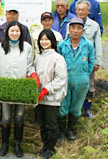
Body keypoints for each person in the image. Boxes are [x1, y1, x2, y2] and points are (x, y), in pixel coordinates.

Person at [0, 21, 40, 157]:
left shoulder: (26, 47)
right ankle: (4, 144)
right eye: (12, 31)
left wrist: (33, 74)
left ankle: (17, 144)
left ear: (21, 33)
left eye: (17, 31)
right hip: (5, 89)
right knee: (6, 117)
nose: (14, 34)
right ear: (7, 32)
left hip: (20, 89)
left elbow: (30, 66)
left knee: (19, 116)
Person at [57, 17, 94, 141]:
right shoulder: (62, 44)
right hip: (65, 81)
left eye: (79, 28)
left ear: (83, 30)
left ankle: (71, 131)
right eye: (73, 28)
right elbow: (58, 62)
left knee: (76, 107)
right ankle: (61, 132)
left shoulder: (88, 45)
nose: (76, 31)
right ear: (69, 29)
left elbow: (91, 63)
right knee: (63, 106)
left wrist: (83, 74)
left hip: (81, 81)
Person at [34, 29, 67, 159]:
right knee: (42, 123)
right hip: (39, 97)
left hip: (51, 97)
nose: (44, 42)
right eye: (42, 39)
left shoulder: (58, 58)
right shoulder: (38, 57)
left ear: (52, 41)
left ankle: (51, 148)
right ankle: (44, 146)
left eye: (47, 39)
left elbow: (61, 79)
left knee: (51, 123)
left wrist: (47, 89)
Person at [73, 0, 102, 118]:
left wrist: (97, 61)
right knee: (74, 84)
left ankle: (87, 110)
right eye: (78, 10)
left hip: (88, 62)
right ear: (75, 11)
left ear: (88, 12)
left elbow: (98, 45)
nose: (80, 12)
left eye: (83, 10)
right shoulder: (71, 24)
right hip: (74, 61)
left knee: (89, 85)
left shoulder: (94, 25)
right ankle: (76, 108)